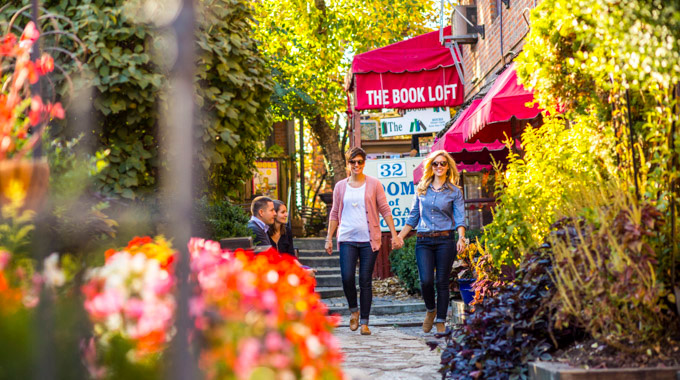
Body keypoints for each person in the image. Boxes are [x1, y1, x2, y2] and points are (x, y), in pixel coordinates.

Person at [325, 147, 404, 336]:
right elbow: (335, 213)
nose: (356, 165)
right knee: (347, 277)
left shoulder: (374, 184)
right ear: (348, 163)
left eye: (360, 162)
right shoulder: (340, 186)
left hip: (369, 240)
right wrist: (329, 237)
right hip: (347, 238)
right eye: (353, 162)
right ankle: (354, 310)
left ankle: (365, 322)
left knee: (365, 280)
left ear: (364, 163)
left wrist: (394, 235)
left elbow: (385, 209)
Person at [397, 150, 466, 334]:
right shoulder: (421, 189)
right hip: (424, 240)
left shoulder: (455, 192)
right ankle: (430, 310)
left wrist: (461, 237)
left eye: (443, 163)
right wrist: (400, 237)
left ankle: (441, 320)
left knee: (442, 282)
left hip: (445, 240)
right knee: (425, 280)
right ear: (431, 167)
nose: (439, 167)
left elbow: (460, 218)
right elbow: (413, 217)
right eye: (435, 164)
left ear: (448, 167)